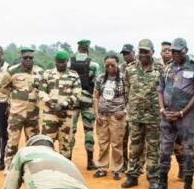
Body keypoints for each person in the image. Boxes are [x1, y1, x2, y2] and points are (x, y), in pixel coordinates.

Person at [156, 38, 194, 189]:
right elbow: (160, 89)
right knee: (164, 150)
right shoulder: (168, 67)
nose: (175, 54)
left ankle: (188, 187)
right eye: (174, 51)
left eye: (178, 51)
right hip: (167, 115)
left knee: (188, 150)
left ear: (185, 50)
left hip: (186, 116)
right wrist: (162, 109)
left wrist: (183, 112)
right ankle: (162, 184)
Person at [121, 39, 163, 189]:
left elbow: (164, 92)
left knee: (153, 148)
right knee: (135, 147)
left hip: (154, 116)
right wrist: (130, 107)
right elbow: (126, 90)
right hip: (135, 115)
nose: (143, 54)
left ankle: (153, 178)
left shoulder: (160, 69)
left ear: (153, 52)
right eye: (141, 51)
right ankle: (132, 176)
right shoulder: (130, 69)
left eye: (146, 51)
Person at [0, 47, 43, 168]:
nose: (28, 60)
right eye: (25, 58)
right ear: (21, 58)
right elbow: (2, 87)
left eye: (30, 58)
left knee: (33, 142)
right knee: (13, 141)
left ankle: (31, 167)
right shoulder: (12, 71)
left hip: (33, 113)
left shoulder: (39, 72)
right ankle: (9, 166)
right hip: (16, 113)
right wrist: (14, 95)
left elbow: (43, 88)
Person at [38, 50, 81, 159]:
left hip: (66, 113)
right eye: (58, 62)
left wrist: (62, 105)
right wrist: (53, 106)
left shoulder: (73, 75)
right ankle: (47, 167)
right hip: (49, 114)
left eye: (63, 62)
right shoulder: (47, 74)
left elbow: (77, 93)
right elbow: (41, 91)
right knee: (47, 142)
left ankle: (65, 169)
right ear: (55, 61)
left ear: (68, 61)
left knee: (65, 142)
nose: (60, 64)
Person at [93, 54, 127, 179]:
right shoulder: (100, 78)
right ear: (104, 65)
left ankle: (117, 169)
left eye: (113, 64)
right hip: (102, 116)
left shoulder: (123, 79)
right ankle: (102, 167)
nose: (110, 67)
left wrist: (124, 111)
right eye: (107, 65)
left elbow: (130, 97)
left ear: (118, 64)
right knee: (102, 142)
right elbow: (96, 97)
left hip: (117, 116)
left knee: (116, 143)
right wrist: (96, 114)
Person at [69, 39, 99, 169]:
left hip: (73, 99)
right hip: (87, 99)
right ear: (88, 49)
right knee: (89, 130)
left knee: (71, 129)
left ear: (78, 49)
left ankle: (68, 160)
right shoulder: (94, 65)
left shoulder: (69, 63)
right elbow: (97, 84)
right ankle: (90, 161)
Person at [119, 44, 136, 162]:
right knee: (123, 137)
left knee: (136, 139)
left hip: (136, 108)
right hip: (122, 107)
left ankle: (136, 164)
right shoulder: (121, 68)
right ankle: (124, 162)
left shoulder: (139, 66)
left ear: (133, 53)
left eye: (127, 53)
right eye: (124, 54)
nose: (125, 56)